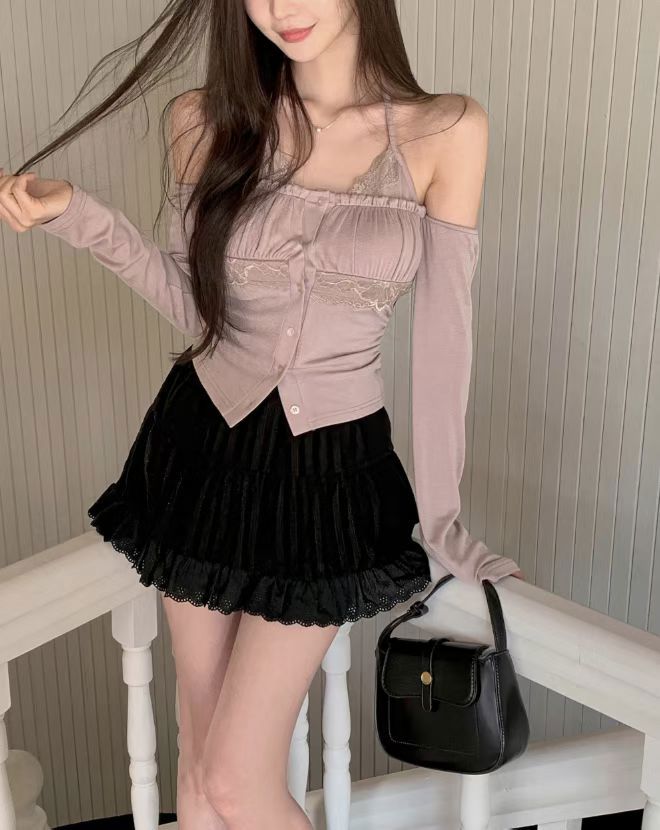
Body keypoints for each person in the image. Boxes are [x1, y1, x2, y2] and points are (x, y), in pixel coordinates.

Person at [0, 1, 525, 827]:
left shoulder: (447, 131)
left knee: (237, 778)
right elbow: (197, 309)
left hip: (329, 474)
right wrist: (78, 216)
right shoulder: (203, 121)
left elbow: (444, 345)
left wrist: (443, 518)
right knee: (200, 767)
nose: (281, 7)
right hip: (199, 452)